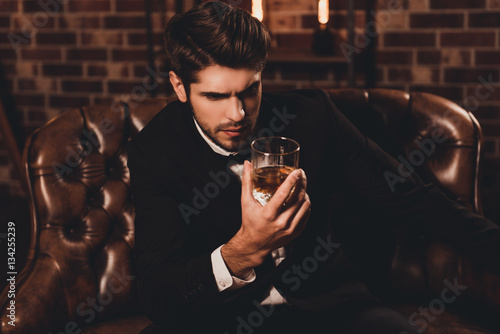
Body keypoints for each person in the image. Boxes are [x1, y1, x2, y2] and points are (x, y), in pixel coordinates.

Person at [126, 2, 500, 333]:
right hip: (215, 317)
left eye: (249, 90)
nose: (237, 114)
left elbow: (413, 198)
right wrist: (240, 253)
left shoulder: (313, 117)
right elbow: (157, 292)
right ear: (179, 87)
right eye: (215, 96)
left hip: (332, 310)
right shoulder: (155, 151)